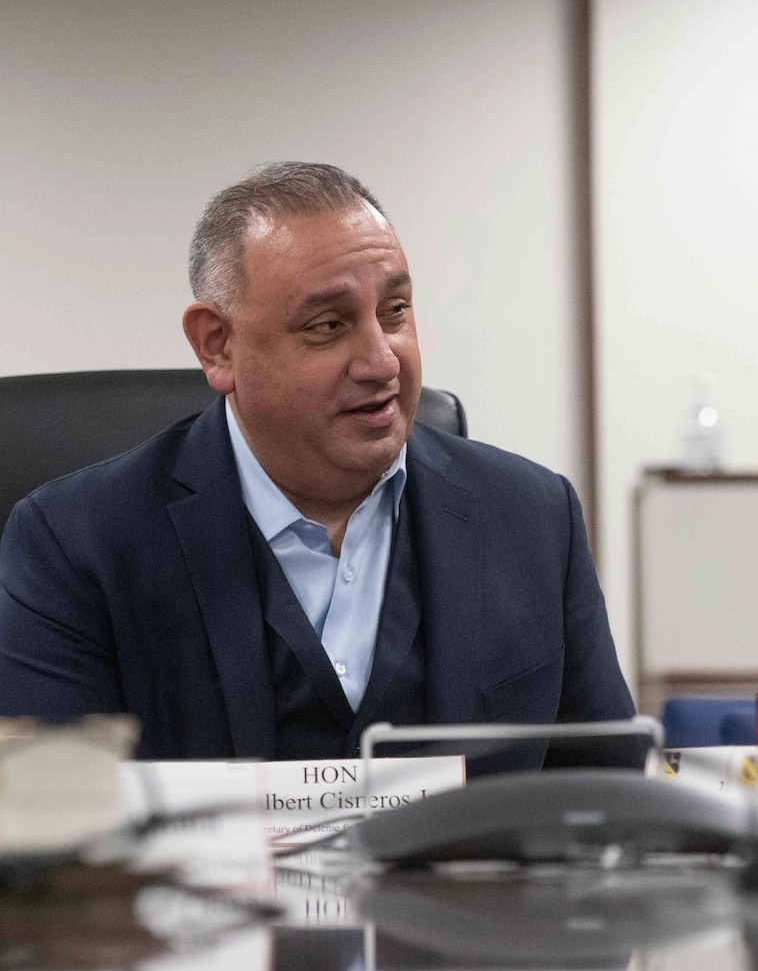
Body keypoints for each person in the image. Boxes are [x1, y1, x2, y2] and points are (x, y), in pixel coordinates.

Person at [0, 163, 633, 762]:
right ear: (217, 346)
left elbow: (606, 799)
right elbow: (64, 846)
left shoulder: (531, 517)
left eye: (395, 313)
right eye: (329, 326)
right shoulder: (78, 545)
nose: (382, 362)